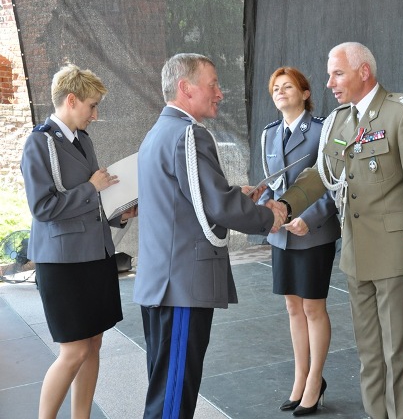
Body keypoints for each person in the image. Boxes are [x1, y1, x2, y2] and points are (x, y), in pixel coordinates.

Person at [278, 42, 403, 419]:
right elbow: (320, 174)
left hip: (396, 257)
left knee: (398, 356)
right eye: (329, 75)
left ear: (364, 72)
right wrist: (284, 206)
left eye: (338, 74)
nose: (329, 83)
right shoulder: (340, 120)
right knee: (369, 355)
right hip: (355, 256)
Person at [133, 53, 285, 419]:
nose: (219, 93)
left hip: (162, 281)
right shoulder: (189, 135)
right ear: (185, 88)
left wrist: (236, 195)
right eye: (213, 84)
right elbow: (217, 205)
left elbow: (189, 200)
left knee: (165, 388)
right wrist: (270, 216)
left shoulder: (158, 132)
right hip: (181, 285)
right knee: (173, 399)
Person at [21, 64, 137, 419]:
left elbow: (94, 199)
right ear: (71, 100)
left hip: (95, 255)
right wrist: (91, 188)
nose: (95, 114)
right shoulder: (38, 143)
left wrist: (119, 214)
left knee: (94, 343)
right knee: (73, 351)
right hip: (62, 262)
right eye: (92, 105)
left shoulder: (82, 140)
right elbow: (43, 208)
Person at [257, 66, 341, 416]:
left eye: (288, 86)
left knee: (312, 308)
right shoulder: (269, 134)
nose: (280, 91)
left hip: (314, 232)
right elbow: (268, 184)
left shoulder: (322, 130)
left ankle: (315, 380)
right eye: (275, 87)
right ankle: (301, 377)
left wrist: (309, 218)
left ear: (305, 94)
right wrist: (266, 215)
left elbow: (334, 183)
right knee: (293, 307)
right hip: (282, 235)